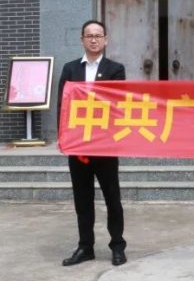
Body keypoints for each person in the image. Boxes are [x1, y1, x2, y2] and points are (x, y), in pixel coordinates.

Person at [57, 20, 127, 266]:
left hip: (105, 145)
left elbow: (116, 104)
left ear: (105, 40)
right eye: (89, 35)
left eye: (98, 35)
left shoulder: (115, 69)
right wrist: (64, 136)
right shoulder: (70, 69)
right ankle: (85, 247)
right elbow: (63, 105)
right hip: (79, 146)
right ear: (82, 40)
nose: (94, 39)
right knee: (82, 200)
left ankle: (117, 245)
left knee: (112, 198)